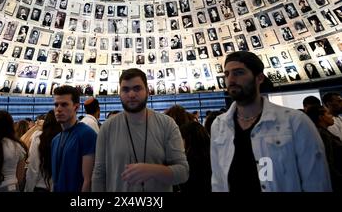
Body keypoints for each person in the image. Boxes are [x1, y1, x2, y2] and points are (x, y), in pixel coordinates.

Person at [211, 51, 331, 191]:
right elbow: (218, 180)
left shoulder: (295, 122)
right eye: (227, 74)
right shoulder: (219, 126)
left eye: (239, 72)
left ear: (259, 78)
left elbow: (316, 183)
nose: (231, 80)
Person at [92, 68, 189, 191]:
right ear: (119, 93)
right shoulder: (107, 128)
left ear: (147, 91)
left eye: (137, 88)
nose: (131, 94)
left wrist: (153, 170)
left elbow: (183, 172)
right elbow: (99, 174)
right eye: (125, 89)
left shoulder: (167, 124)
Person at [51, 85, 97, 192]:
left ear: (76, 107)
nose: (58, 109)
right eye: (56, 105)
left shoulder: (87, 135)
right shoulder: (55, 140)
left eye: (64, 104)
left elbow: (88, 180)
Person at [306, 105, 342, 192]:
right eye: (328, 114)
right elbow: (328, 162)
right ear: (321, 117)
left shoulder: (323, 132)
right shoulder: (322, 135)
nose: (331, 116)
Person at [25, 110, 62, 192]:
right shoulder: (64, 139)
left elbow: (33, 168)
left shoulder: (38, 138)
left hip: (41, 186)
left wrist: (28, 189)